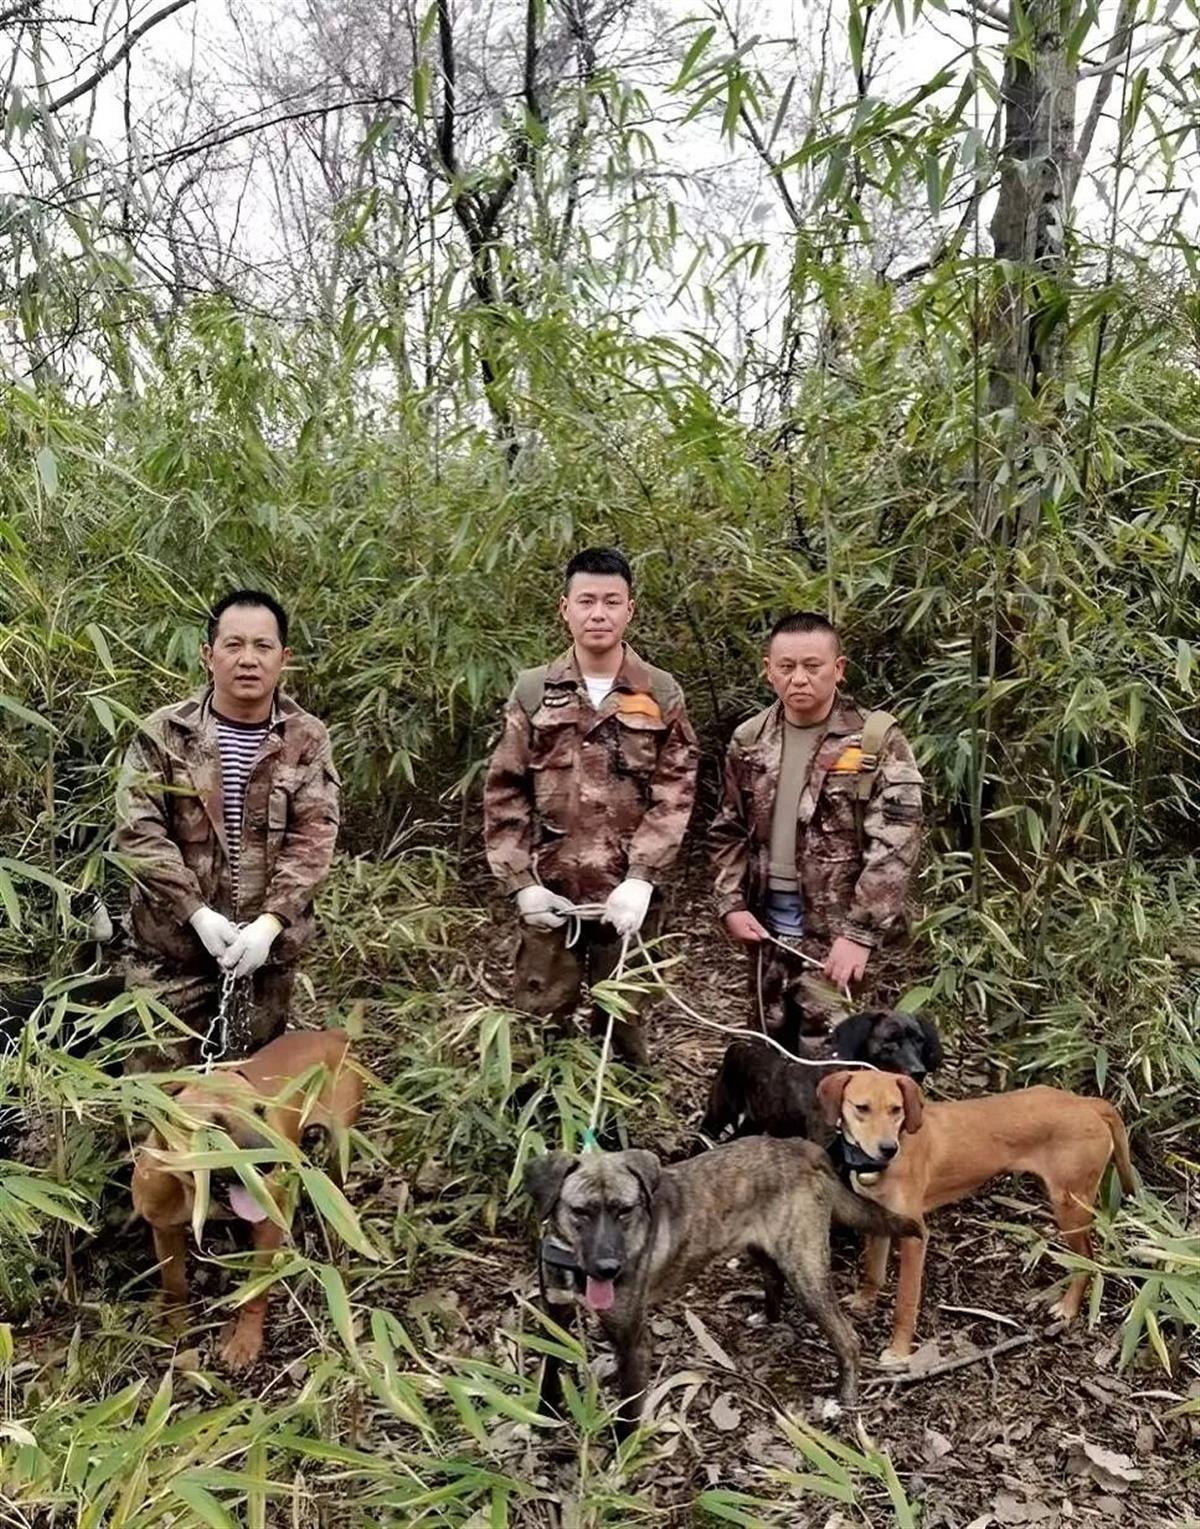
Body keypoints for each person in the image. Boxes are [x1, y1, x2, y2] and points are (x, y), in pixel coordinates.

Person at [483, 547, 699, 1065]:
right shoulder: (535, 690)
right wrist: (522, 883)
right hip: (552, 893)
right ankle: (534, 1127)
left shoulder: (661, 692)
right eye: (586, 601)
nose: (597, 613)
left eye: (611, 601)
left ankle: (621, 1132)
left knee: (623, 1023)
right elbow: (505, 789)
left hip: (628, 901)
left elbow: (676, 792)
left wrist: (643, 876)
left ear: (630, 610)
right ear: (566, 609)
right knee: (538, 1019)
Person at [115, 590, 340, 1068]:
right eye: (233, 645)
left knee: (247, 1107)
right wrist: (197, 913)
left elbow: (313, 837)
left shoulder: (306, 738)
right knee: (153, 1108)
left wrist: (269, 924)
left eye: (263, 646)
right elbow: (139, 833)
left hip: (263, 962)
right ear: (208, 654)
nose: (248, 660)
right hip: (170, 959)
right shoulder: (165, 734)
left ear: (284, 658)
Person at [708, 611, 923, 1044]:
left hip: (840, 933)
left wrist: (859, 934)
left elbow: (896, 843)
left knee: (832, 1058)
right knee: (768, 1047)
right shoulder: (750, 739)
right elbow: (728, 829)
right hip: (768, 927)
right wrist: (731, 904)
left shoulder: (874, 740)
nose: (799, 679)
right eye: (786, 667)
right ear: (768, 672)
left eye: (813, 666)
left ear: (838, 670)